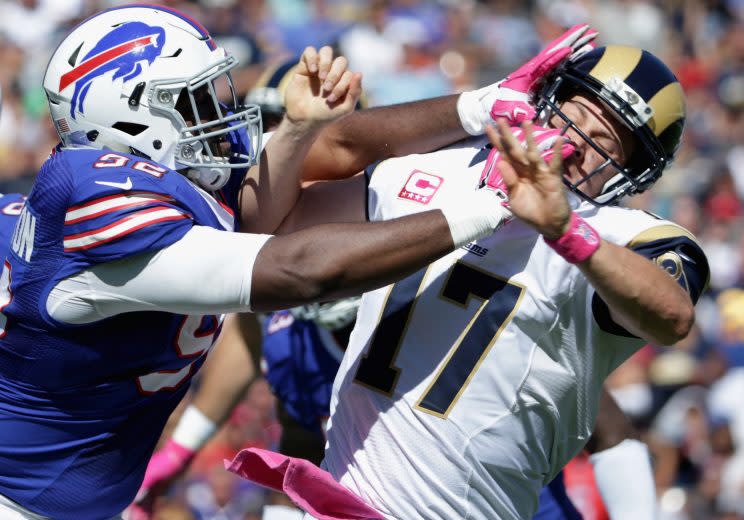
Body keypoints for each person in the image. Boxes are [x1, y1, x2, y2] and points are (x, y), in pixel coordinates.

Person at [0, 4, 553, 517]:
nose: (218, 111)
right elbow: (296, 271)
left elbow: (335, 152)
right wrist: (485, 207)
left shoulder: (155, 184)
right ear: (131, 118)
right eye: (193, 100)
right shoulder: (94, 202)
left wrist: (479, 105)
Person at [143, 48, 657, 520]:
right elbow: (284, 405)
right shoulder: (283, 322)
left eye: (301, 142)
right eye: (273, 137)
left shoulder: (423, 221)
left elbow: (597, 416)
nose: (295, 169)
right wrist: (176, 455)